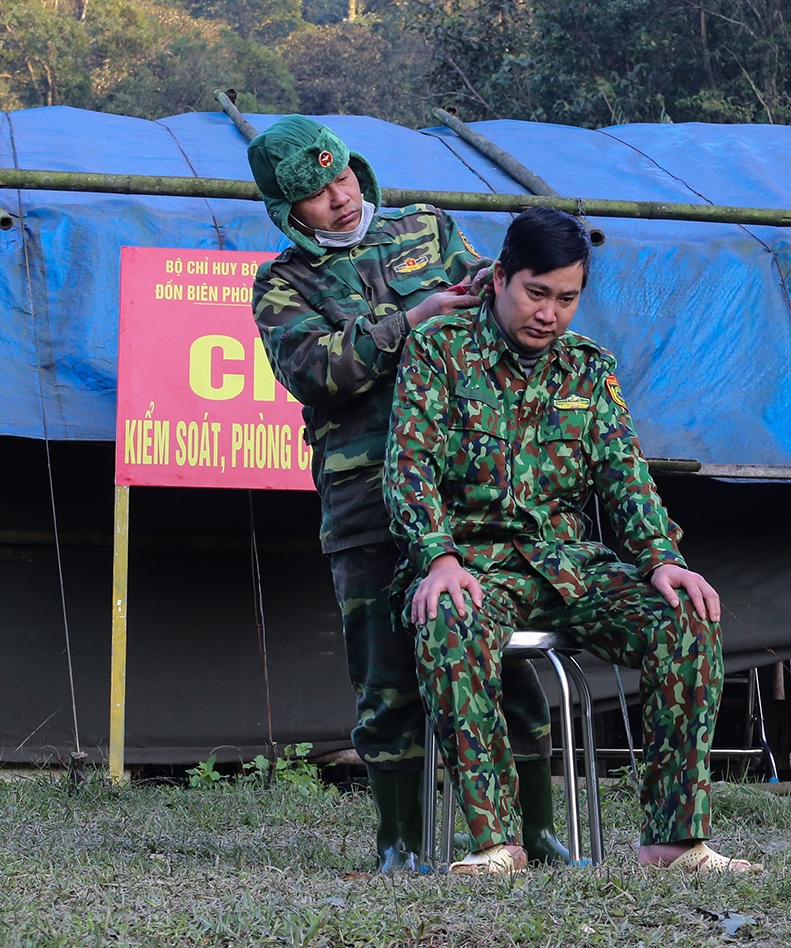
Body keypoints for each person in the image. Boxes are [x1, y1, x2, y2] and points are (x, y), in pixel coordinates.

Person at [384, 206, 761, 876]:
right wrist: (436, 559)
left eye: (566, 299)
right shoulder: (439, 349)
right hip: (474, 567)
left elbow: (624, 475)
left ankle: (673, 843)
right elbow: (407, 467)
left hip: (570, 571)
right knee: (448, 617)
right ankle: (497, 844)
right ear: (500, 278)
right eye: (536, 293)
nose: (549, 314)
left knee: (687, 619)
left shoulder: (589, 370)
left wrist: (661, 560)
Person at [248, 115, 568, 873]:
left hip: (470, 493)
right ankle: (400, 843)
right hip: (366, 503)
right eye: (318, 195)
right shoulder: (281, 284)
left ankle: (537, 831)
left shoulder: (427, 228)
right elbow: (316, 373)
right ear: (287, 213)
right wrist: (411, 320)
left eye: (344, 177)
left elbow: (502, 309)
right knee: (385, 675)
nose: (341, 198)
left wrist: (494, 294)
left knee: (506, 662)